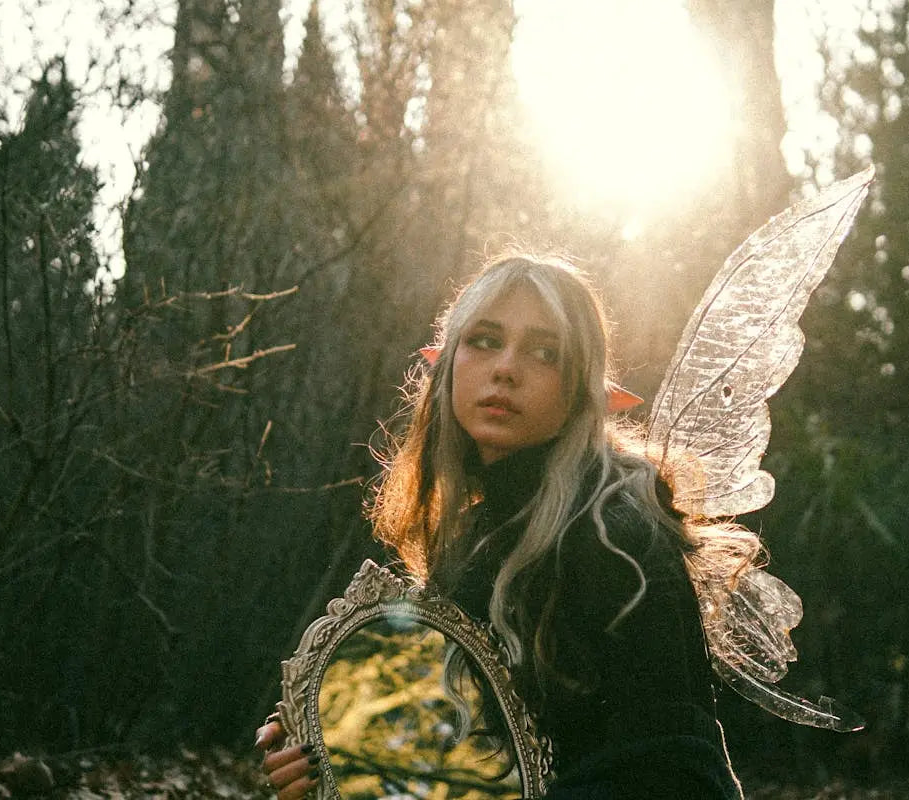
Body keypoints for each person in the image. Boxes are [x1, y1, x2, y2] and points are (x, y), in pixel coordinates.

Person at [256, 253, 761, 798]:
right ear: (447, 364)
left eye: (545, 353)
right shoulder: (476, 538)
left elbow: (676, 770)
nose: (506, 369)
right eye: (485, 340)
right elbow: (453, 761)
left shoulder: (617, 533)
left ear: (579, 392)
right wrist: (335, 756)